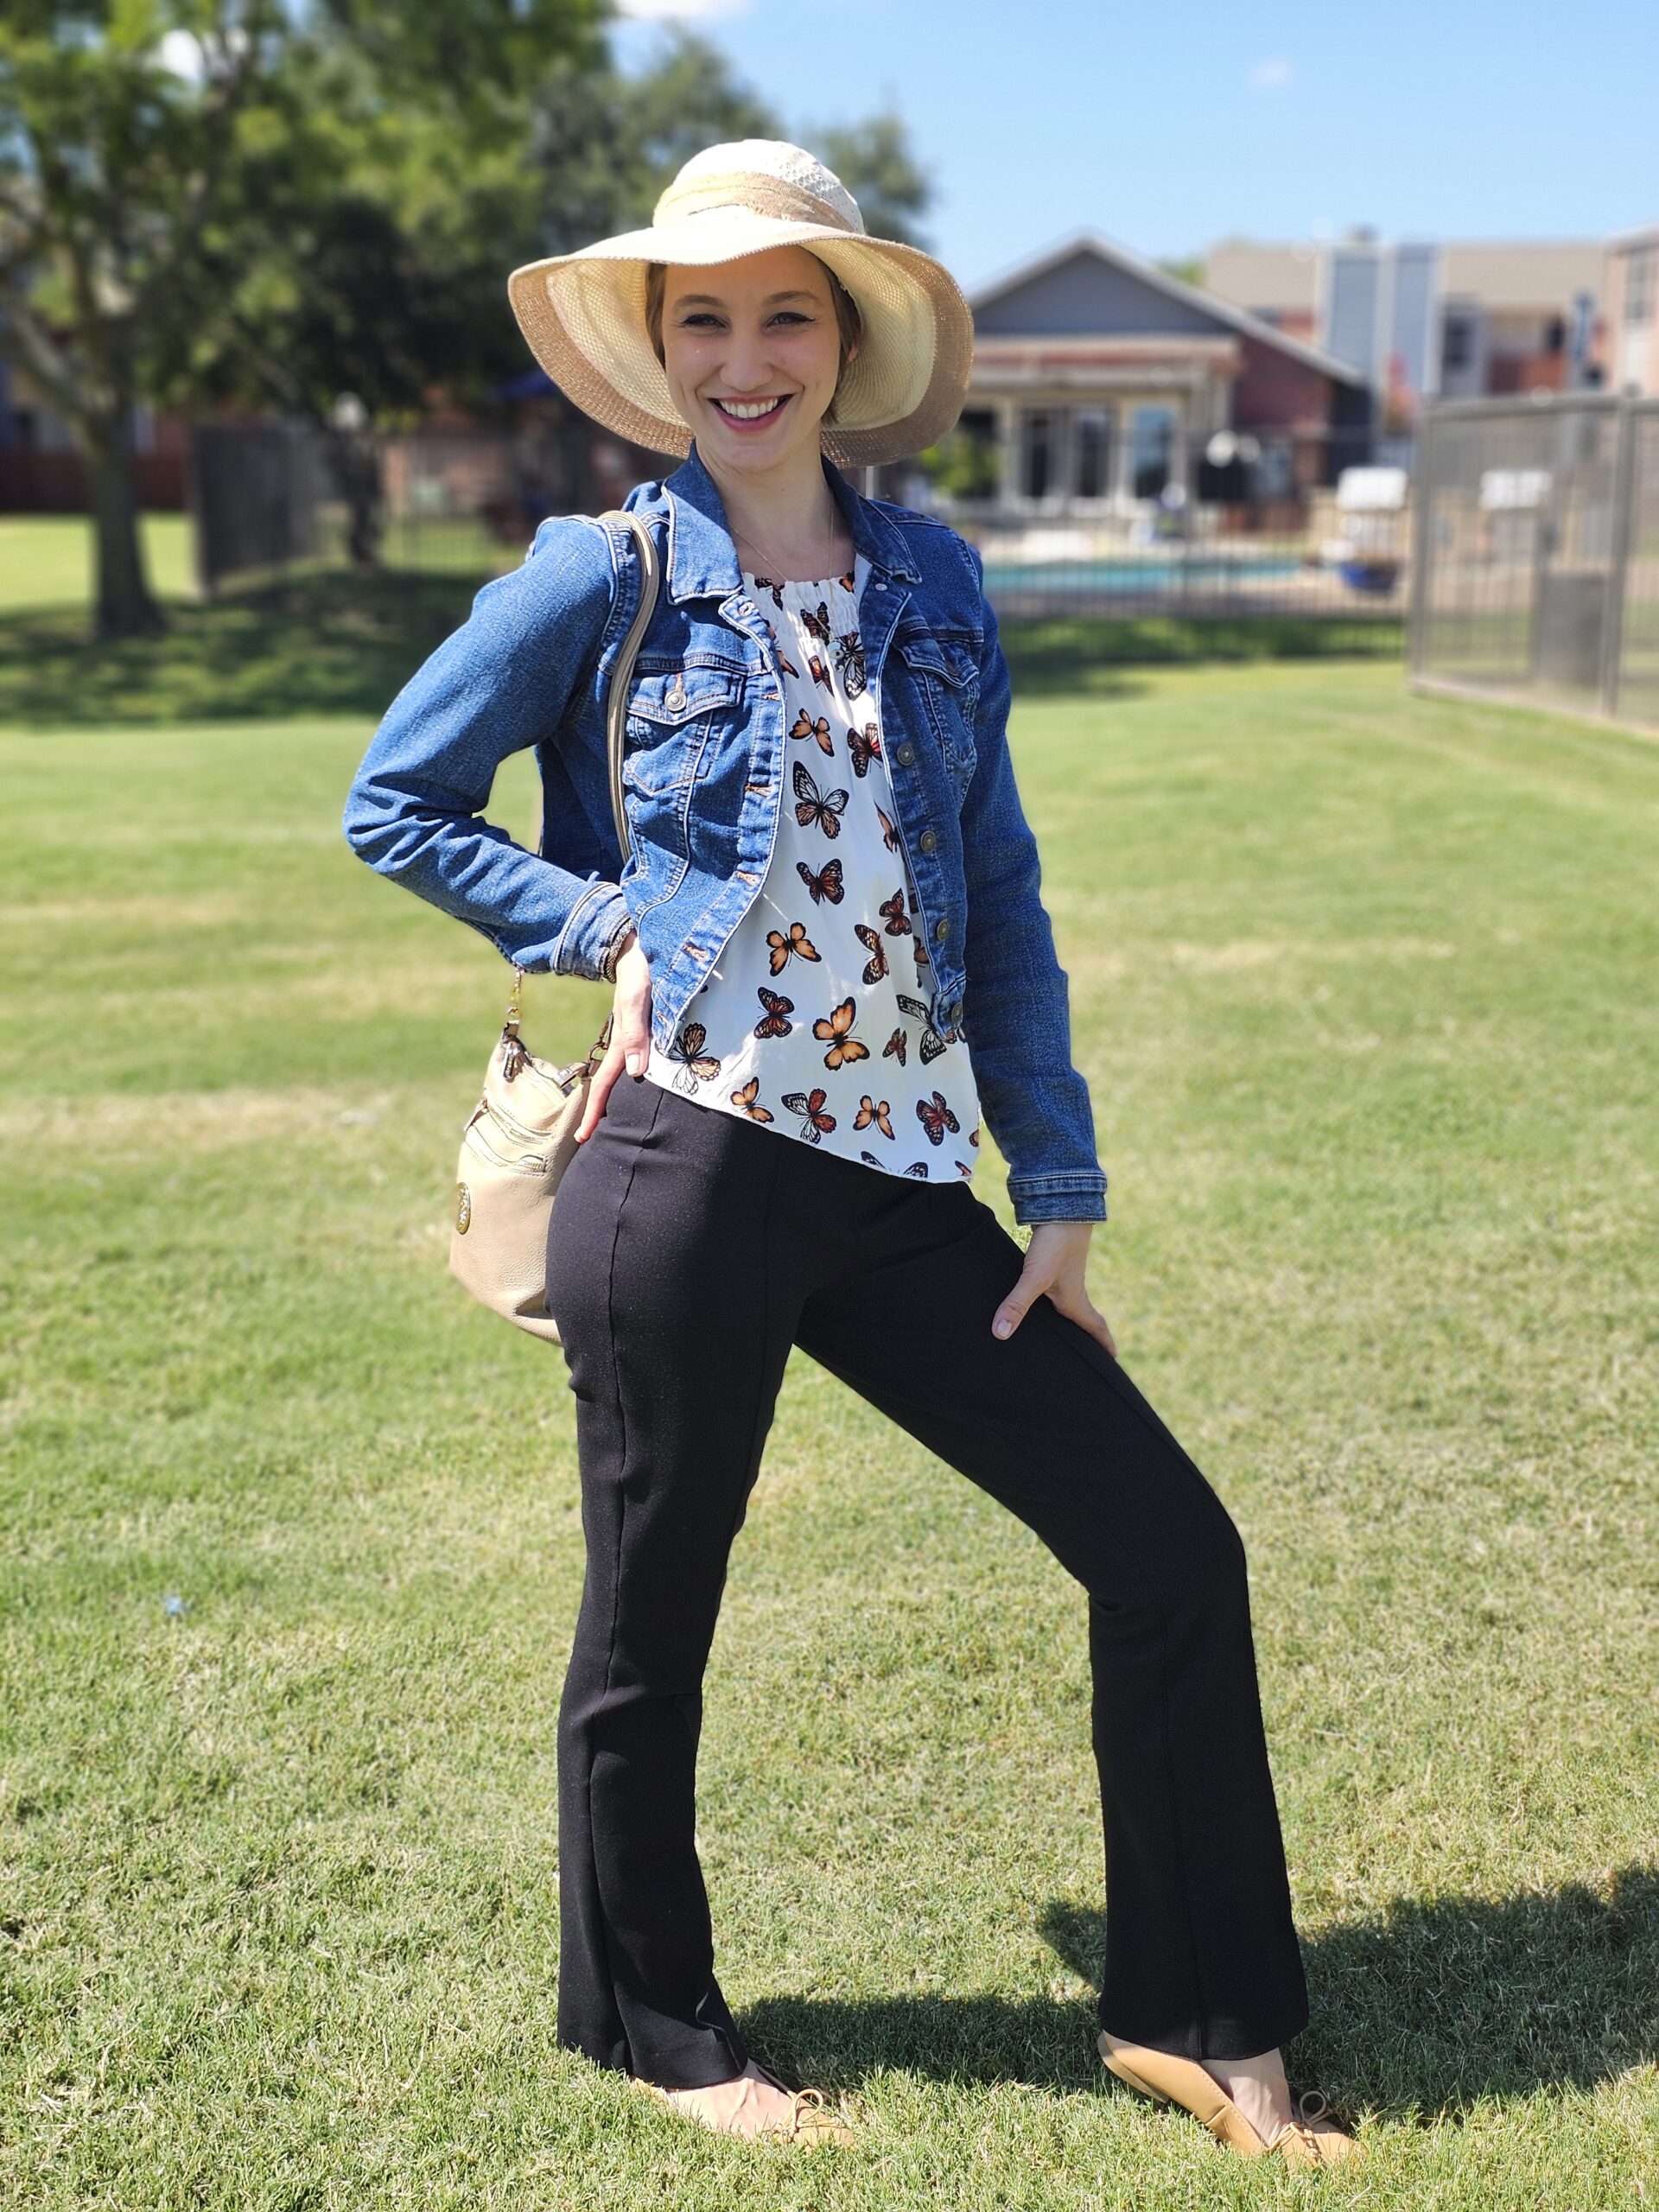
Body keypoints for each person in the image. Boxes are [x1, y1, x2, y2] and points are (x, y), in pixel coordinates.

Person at [341, 140, 1357, 2169]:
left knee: (1170, 1547)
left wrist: (1055, 1187)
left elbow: (1000, 883)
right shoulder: (601, 572)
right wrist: (602, 921)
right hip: (686, 1163)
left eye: (784, 314)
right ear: (658, 348)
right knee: (655, 1617)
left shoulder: (934, 585)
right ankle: (662, 2026)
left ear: (844, 339)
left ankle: (1196, 2015)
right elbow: (398, 797)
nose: (746, 359)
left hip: (898, 1184)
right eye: (703, 319)